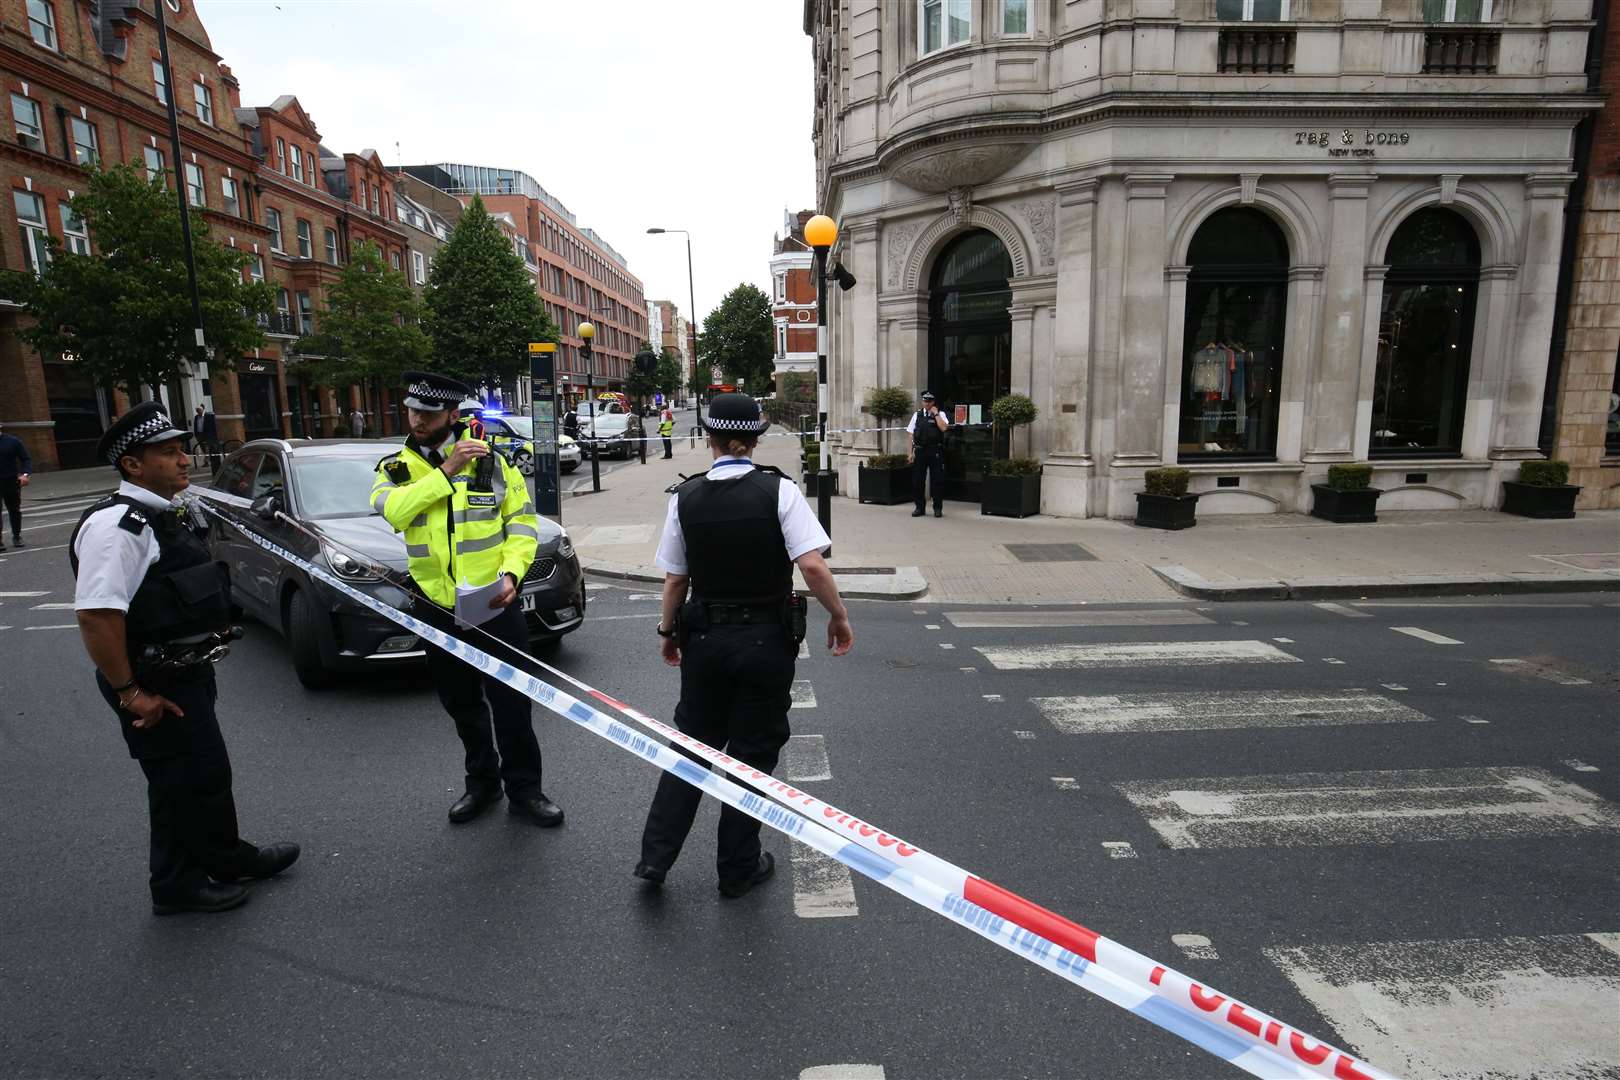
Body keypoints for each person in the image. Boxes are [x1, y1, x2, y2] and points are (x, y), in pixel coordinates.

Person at [70, 402, 298, 915]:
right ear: (132, 464)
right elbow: (98, 618)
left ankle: (223, 856)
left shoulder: (164, 513)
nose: (182, 461)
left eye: (181, 451)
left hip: (183, 671)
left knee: (206, 773)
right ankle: (176, 883)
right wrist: (131, 692)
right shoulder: (119, 527)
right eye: (169, 453)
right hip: (151, 678)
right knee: (176, 782)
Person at [635, 393, 854, 898]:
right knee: (752, 756)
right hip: (764, 640)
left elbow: (674, 581)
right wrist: (838, 617)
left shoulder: (683, 497)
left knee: (690, 748)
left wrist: (668, 634)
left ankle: (655, 857)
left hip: (705, 638)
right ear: (755, 440)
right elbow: (813, 565)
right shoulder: (779, 491)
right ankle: (737, 869)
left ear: (708, 439)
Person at [371, 371, 562, 828]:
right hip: (435, 607)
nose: (417, 419)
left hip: (494, 604)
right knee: (460, 703)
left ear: (452, 415)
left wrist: (513, 573)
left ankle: (526, 790)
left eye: (429, 413)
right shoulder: (394, 468)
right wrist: (446, 470)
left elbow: (521, 522)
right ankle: (482, 783)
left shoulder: (492, 462)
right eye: (413, 410)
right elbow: (395, 512)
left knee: (512, 702)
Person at [907, 390, 949, 518]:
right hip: (920, 451)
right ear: (922, 402)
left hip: (934, 450)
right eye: (925, 401)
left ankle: (937, 508)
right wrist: (910, 453)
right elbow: (910, 434)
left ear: (933, 402)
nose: (927, 403)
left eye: (929, 401)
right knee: (918, 480)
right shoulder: (917, 415)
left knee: (937, 480)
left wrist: (936, 414)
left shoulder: (940, 414)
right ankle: (919, 507)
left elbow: (944, 428)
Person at [0, 420, 31, 550]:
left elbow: (25, 458)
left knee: (14, 509)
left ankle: (17, 536)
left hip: (11, 480)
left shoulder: (12, 441)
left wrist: (25, 474)